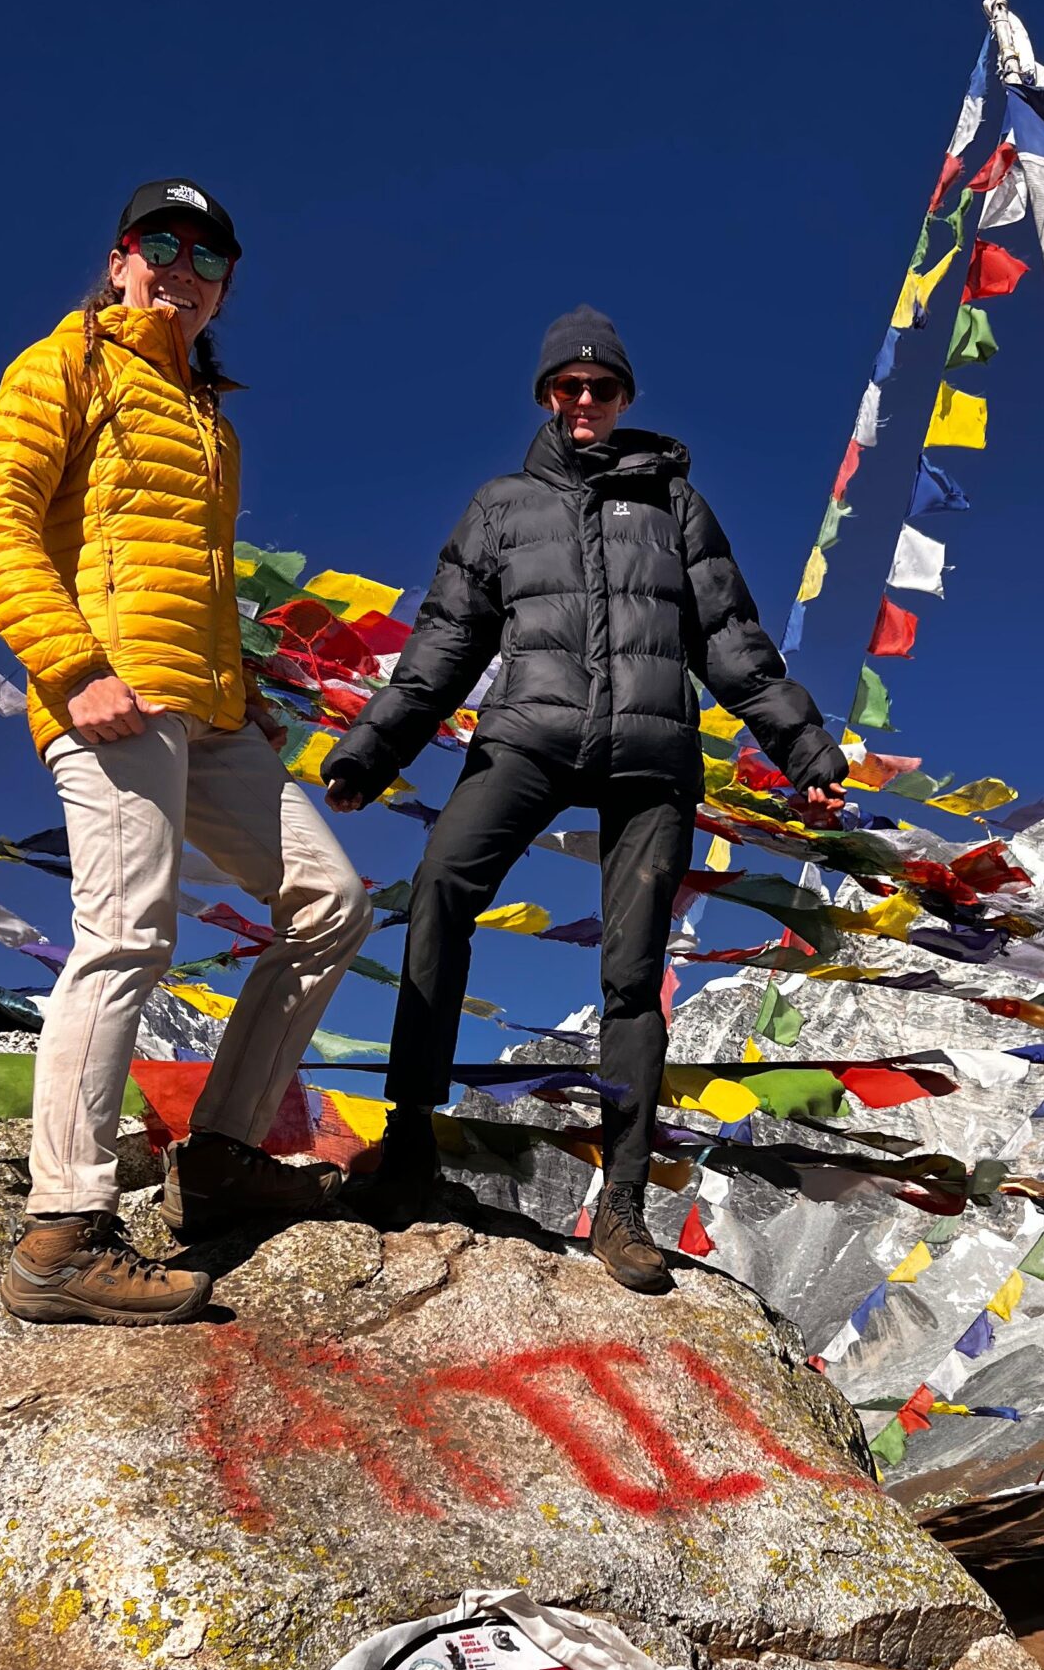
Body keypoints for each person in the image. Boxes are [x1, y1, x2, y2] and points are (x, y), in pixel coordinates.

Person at [323, 305, 846, 1291]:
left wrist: (803, 747)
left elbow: (732, 639)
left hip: (651, 755)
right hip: (529, 734)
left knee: (631, 972)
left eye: (602, 388)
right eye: (568, 385)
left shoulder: (675, 505)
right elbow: (441, 644)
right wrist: (371, 751)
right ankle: (409, 1145)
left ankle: (625, 1205)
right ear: (544, 394)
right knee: (439, 887)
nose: (584, 402)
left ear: (624, 398)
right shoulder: (500, 507)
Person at [0, 179, 373, 1325]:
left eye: (209, 254)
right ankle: (63, 1228)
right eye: (163, 243)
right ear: (120, 257)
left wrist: (243, 687)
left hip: (212, 710)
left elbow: (193, 578)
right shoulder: (68, 362)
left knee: (332, 899)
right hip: (108, 694)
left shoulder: (207, 417)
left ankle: (224, 1155)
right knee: (130, 929)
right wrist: (74, 667)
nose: (183, 265)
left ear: (225, 283)